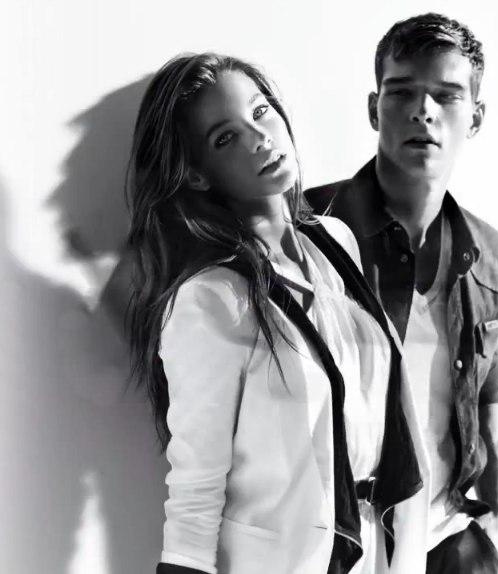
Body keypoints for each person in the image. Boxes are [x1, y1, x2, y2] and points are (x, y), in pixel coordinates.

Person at [126, 52, 429, 574]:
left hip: (373, 546)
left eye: (261, 111)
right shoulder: (210, 298)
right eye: (226, 137)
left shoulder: (334, 243)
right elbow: (196, 489)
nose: (259, 138)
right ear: (196, 175)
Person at [306, 13, 498, 574]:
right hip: (338, 542)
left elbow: (490, 409)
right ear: (375, 109)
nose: (423, 110)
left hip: (449, 543)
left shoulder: (492, 258)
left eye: (447, 95)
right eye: (402, 92)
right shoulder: (309, 231)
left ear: (476, 116)